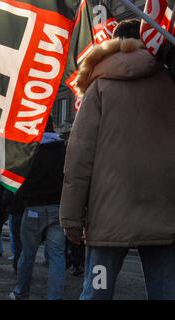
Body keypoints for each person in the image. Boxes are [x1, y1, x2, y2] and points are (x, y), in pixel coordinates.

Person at [60, 19, 175, 300]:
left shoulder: (99, 86)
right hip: (164, 209)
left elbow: (79, 157)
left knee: (98, 289)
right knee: (166, 292)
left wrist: (71, 219)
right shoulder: (169, 81)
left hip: (107, 215)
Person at [10, 116, 66, 300]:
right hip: (58, 208)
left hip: (34, 207)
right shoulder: (63, 150)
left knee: (28, 254)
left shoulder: (30, 151)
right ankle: (54, 297)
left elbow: (20, 179)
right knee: (57, 256)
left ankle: (21, 292)